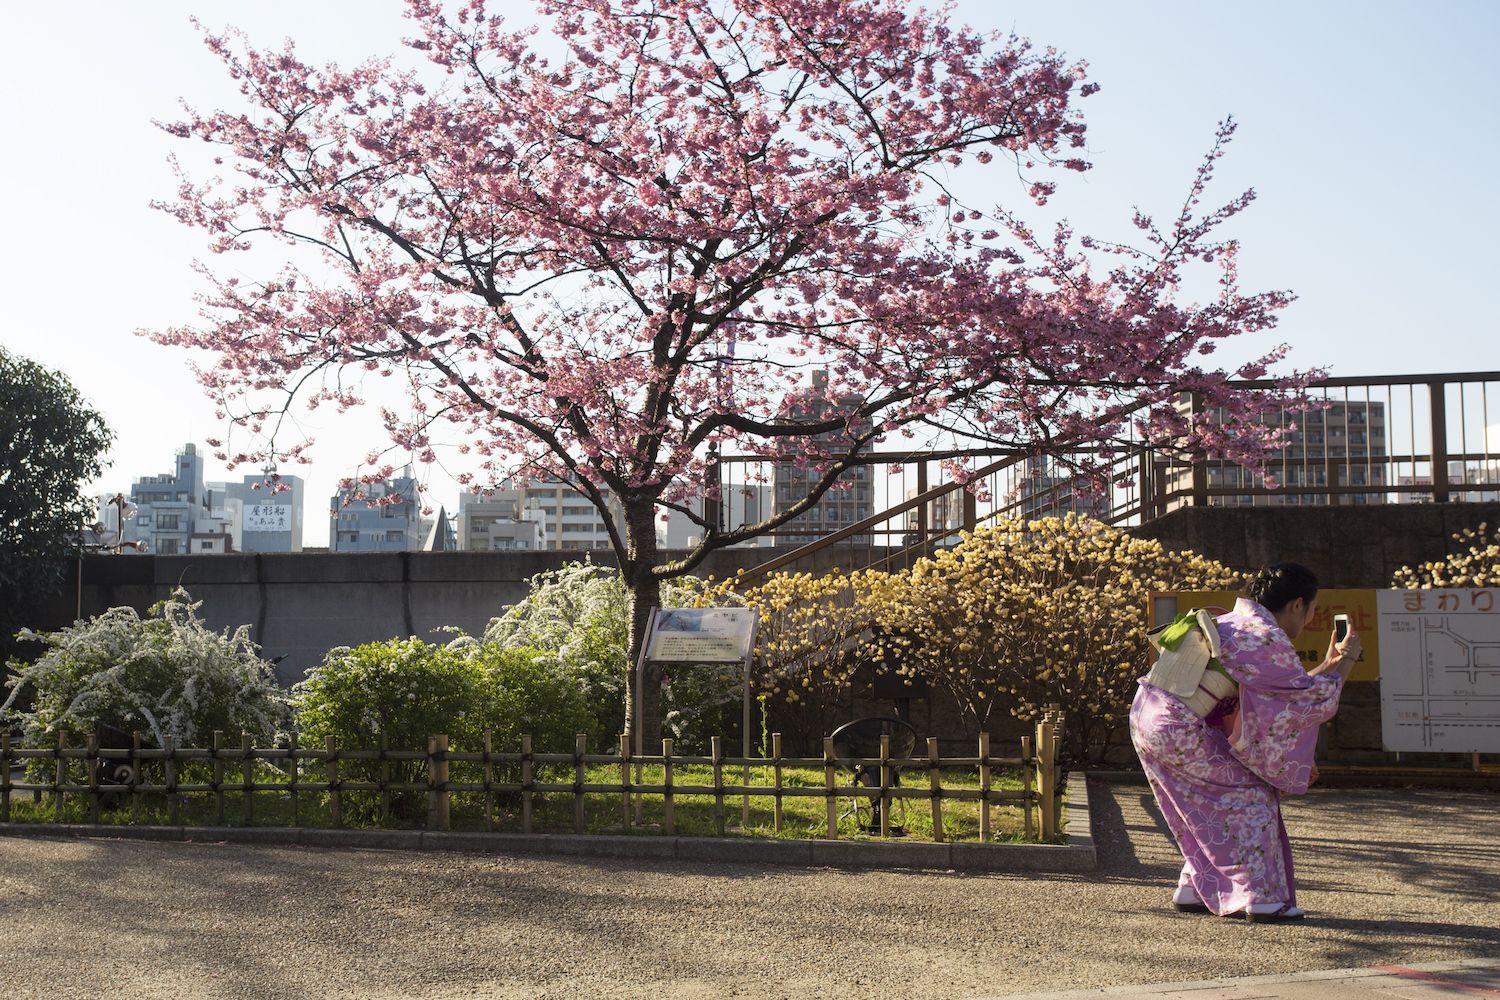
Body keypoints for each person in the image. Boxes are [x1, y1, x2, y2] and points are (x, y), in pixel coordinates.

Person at [1129, 563, 1362, 923]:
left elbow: (1279, 694)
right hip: (1179, 726)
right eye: (1312, 611)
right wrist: (1346, 661)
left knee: (1197, 805)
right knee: (1253, 796)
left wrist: (1329, 664)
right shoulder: (1264, 636)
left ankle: (1194, 885)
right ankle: (1261, 897)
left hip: (1151, 714)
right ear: (1297, 604)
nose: (1309, 620)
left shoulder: (1237, 624)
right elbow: (1305, 701)